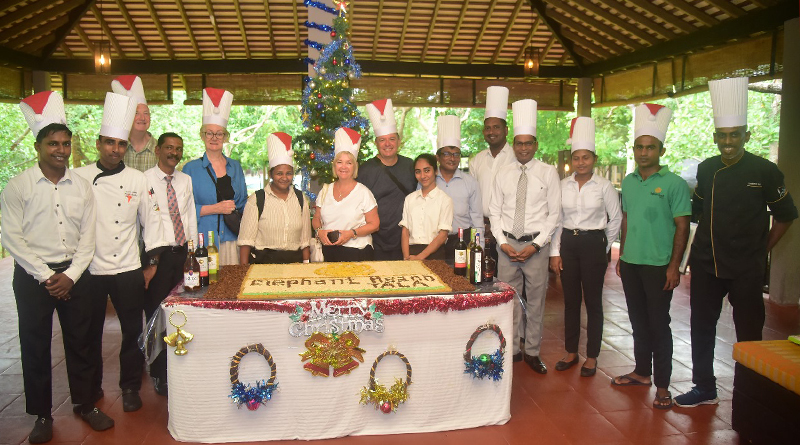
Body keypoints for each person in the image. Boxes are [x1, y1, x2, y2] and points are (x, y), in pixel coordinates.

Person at [675, 77, 798, 407]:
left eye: (735, 135)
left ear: (747, 135)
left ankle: (750, 393)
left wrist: (763, 249)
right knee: (701, 327)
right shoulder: (706, 169)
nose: (728, 142)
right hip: (706, 263)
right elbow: (695, 211)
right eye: (723, 136)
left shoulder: (766, 171)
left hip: (747, 267)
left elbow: (785, 214)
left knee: (749, 334)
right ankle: (704, 387)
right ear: (715, 137)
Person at [1, 91, 112, 443]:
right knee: (34, 344)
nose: (60, 150)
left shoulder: (81, 187)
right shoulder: (18, 187)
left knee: (82, 342)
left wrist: (70, 275)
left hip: (75, 275)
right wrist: (48, 276)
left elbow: (88, 238)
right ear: (38, 147)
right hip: (34, 278)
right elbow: (12, 237)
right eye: (53, 143)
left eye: (65, 143)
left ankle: (85, 403)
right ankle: (42, 415)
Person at [75, 92, 168, 414]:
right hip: (88, 269)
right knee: (88, 333)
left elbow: (153, 221)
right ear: (99, 143)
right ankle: (89, 390)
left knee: (132, 332)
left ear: (126, 147)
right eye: (109, 143)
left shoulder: (137, 179)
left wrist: (151, 263)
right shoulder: (80, 178)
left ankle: (130, 387)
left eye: (120, 144)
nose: (115, 149)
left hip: (128, 267)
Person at [612, 104, 691, 410]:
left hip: (660, 267)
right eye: (639, 147)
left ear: (661, 149)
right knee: (638, 321)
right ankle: (642, 372)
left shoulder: (675, 184)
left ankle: (662, 385)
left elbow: (682, 226)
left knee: (659, 324)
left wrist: (675, 266)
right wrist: (623, 253)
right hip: (631, 263)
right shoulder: (630, 182)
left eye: (650, 147)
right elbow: (628, 218)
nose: (644, 152)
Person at [489, 99, 561, 375]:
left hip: (535, 247)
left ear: (536, 145)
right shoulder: (504, 173)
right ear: (514, 144)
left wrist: (536, 245)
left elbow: (554, 215)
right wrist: (502, 243)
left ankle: (532, 351)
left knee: (535, 301)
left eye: (528, 143)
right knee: (508, 299)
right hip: (507, 245)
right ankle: (513, 349)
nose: (523, 148)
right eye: (518, 143)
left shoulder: (547, 173)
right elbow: (495, 211)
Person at [549, 117, 622, 377]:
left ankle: (591, 356)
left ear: (595, 158)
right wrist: (555, 252)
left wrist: (603, 246)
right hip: (568, 242)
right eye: (576, 157)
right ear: (571, 159)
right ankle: (571, 352)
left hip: (593, 244)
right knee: (570, 302)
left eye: (586, 157)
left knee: (593, 303)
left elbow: (616, 219)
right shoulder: (562, 185)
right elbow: (556, 221)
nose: (581, 162)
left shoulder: (604, 187)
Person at [143, 132, 198, 396]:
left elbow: (189, 216)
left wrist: (194, 252)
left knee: (185, 310)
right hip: (158, 256)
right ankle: (158, 372)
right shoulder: (145, 180)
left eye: (178, 149)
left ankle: (182, 365)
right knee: (156, 315)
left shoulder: (185, 180)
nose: (173, 153)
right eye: (168, 148)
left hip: (182, 254)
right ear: (157, 150)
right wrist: (151, 260)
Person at [183, 87, 247, 265]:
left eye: (219, 133)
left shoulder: (235, 167)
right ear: (202, 136)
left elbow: (243, 205)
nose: (214, 137)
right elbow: (184, 209)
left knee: (232, 288)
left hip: (232, 241)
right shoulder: (190, 169)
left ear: (225, 137)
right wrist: (215, 208)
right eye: (209, 133)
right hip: (203, 241)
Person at [238, 132, 312, 264]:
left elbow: (305, 240)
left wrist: (306, 264)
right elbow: (245, 241)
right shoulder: (257, 200)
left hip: (294, 263)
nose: (284, 178)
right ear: (271, 174)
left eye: (288, 173)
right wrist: (243, 271)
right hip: (264, 263)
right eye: (279, 173)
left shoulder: (301, 199)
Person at [359, 98, 416, 260]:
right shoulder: (365, 170)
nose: (387, 144)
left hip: (406, 240)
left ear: (398, 141)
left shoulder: (410, 166)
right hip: (374, 241)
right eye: (382, 140)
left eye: (392, 139)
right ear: (376, 143)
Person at [313, 127, 379, 262]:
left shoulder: (363, 193)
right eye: (339, 162)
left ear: (354, 166)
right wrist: (319, 231)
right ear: (334, 165)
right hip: (329, 252)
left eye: (349, 163)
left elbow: (375, 224)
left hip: (358, 253)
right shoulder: (325, 190)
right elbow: (317, 218)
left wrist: (352, 233)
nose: (344, 167)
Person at [470, 86, 514, 254]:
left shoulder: (515, 158)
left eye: (496, 127)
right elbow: (473, 195)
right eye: (488, 128)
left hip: (508, 229)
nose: (491, 131)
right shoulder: (477, 160)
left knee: (505, 278)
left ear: (506, 130)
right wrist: (482, 224)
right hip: (482, 228)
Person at [435, 115, 483, 259]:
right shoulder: (427, 181)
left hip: (462, 241)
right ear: (437, 157)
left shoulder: (470, 182)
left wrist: (478, 248)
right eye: (447, 154)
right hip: (434, 242)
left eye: (456, 154)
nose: (452, 158)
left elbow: (477, 220)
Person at [400, 154, 453, 260]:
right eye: (418, 172)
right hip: (411, 253)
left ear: (436, 171)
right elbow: (405, 231)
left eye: (427, 170)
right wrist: (406, 257)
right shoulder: (410, 199)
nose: (423, 176)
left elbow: (443, 235)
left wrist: (420, 257)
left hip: (435, 254)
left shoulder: (445, 200)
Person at [112, 75, 157, 171]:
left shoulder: (159, 149)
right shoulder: (116, 148)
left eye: (146, 113)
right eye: (136, 113)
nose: (142, 118)